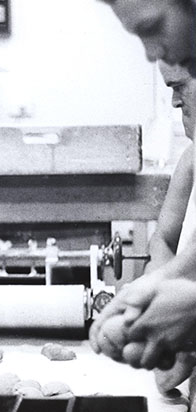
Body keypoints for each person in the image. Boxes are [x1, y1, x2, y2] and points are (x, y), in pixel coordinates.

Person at [90, 61, 196, 384]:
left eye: (180, 87)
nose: (175, 102)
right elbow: (166, 239)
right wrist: (153, 293)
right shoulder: (192, 161)